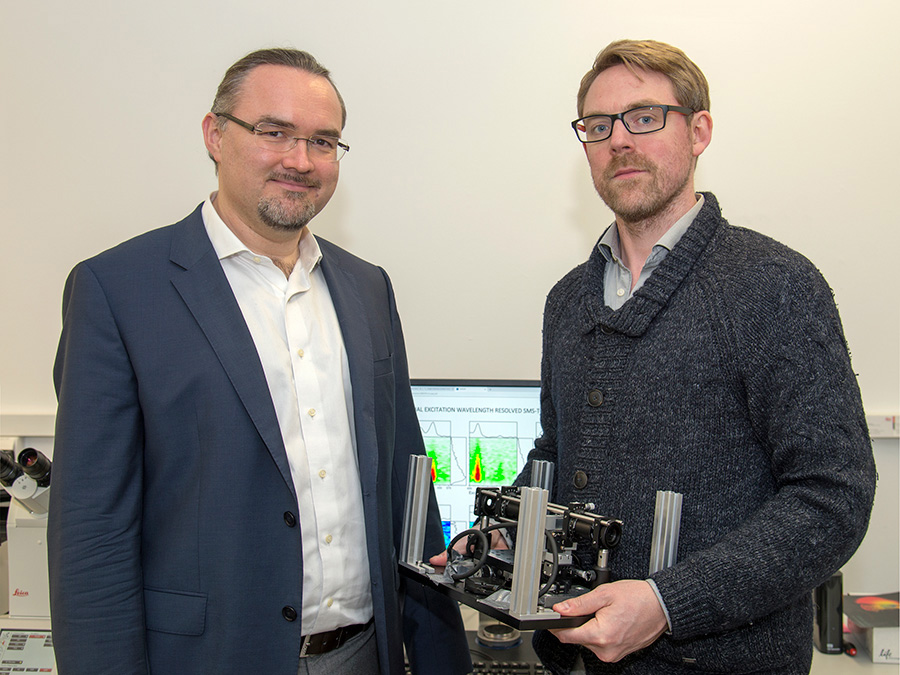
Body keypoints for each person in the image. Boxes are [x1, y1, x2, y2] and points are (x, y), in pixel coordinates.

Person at [49, 48, 470, 675]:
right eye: (274, 132)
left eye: (323, 141)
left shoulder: (368, 290)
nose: (300, 160)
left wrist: (440, 659)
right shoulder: (118, 290)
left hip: (363, 654)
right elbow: (92, 535)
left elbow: (409, 490)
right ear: (215, 135)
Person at [513, 39, 876, 674]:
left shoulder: (774, 285)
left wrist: (666, 603)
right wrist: (509, 533)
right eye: (599, 126)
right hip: (574, 660)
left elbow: (832, 497)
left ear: (699, 130)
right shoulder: (566, 302)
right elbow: (557, 453)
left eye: (644, 117)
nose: (619, 141)